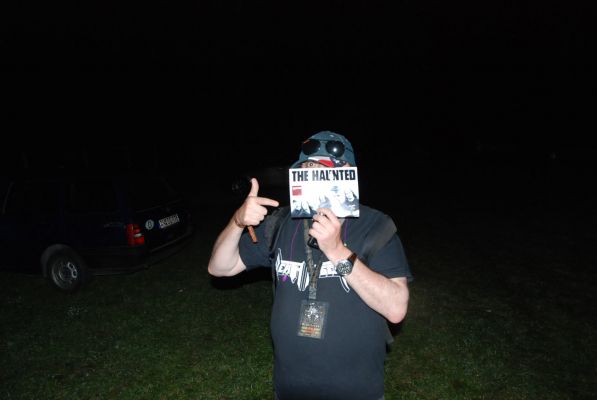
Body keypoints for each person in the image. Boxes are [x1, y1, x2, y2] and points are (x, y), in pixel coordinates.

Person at [208, 130, 413, 400]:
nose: (313, 178)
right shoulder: (281, 223)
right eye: (306, 170)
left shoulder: (375, 226)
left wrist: (338, 252)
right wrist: (237, 222)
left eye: (324, 171)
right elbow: (219, 267)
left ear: (346, 175)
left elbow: (396, 308)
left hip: (356, 390)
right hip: (290, 389)